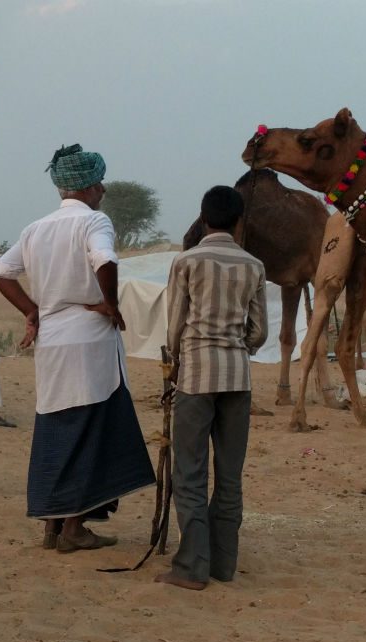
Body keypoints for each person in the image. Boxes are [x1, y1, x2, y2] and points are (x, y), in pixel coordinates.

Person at [0, 144, 155, 553]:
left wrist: (33, 310)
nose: (103, 190)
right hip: (89, 341)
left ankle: (52, 526)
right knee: (90, 431)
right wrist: (111, 303)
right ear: (92, 186)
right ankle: (74, 529)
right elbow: (105, 259)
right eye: (100, 184)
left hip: (53, 343)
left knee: (56, 429)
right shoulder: (94, 221)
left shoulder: (36, 229)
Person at [155, 185, 267, 591]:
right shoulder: (254, 265)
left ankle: (191, 568)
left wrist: (175, 365)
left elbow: (174, 325)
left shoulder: (187, 261)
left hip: (196, 377)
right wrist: (239, 348)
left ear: (203, 219)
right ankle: (223, 564)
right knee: (230, 474)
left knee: (190, 472)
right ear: (239, 222)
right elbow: (259, 332)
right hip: (238, 378)